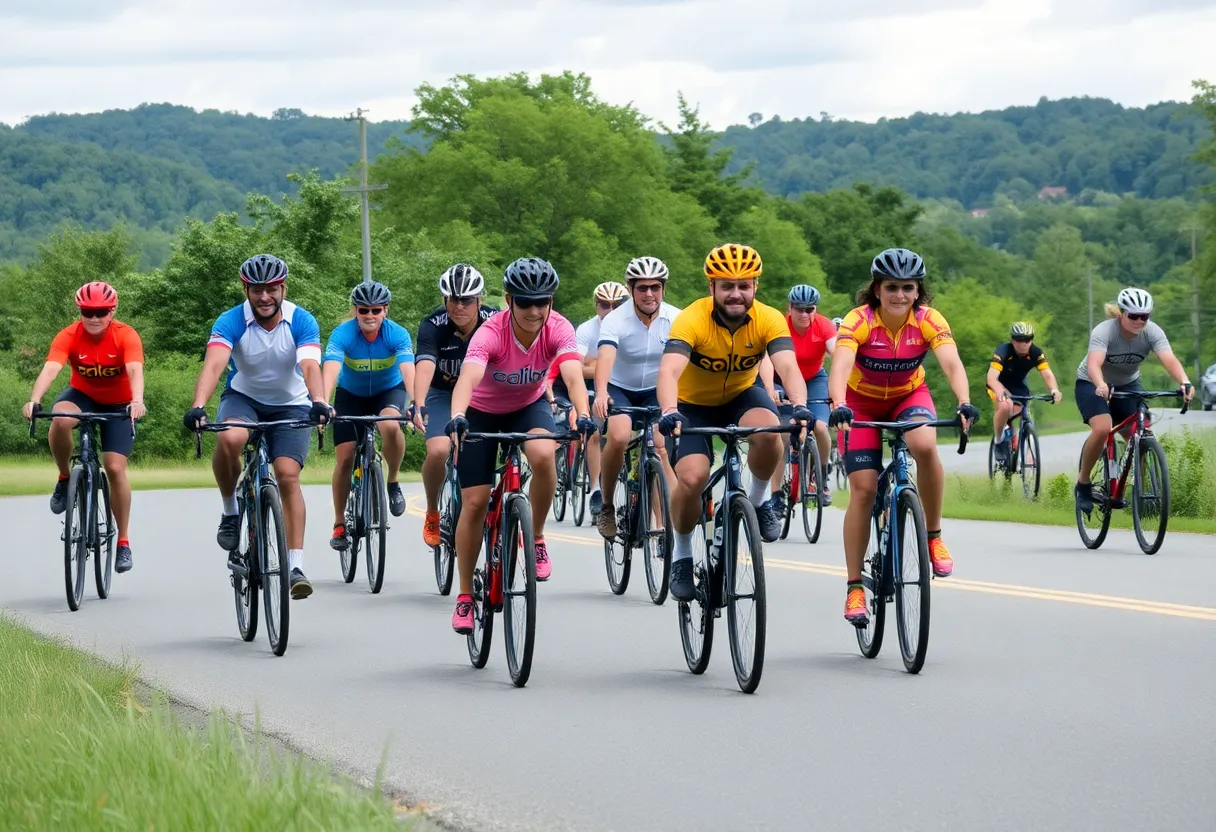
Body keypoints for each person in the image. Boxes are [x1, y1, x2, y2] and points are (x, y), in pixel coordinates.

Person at [827, 247, 979, 626]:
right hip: (859, 405)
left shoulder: (928, 320)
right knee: (862, 489)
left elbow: (950, 362)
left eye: (907, 288)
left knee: (924, 446)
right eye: (891, 287)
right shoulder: (858, 320)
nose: (899, 295)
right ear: (877, 290)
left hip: (908, 396)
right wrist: (839, 403)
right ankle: (854, 587)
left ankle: (933, 536)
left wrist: (964, 401)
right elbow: (841, 364)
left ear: (917, 291)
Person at [445, 258, 594, 633]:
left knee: (545, 453)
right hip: (480, 412)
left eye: (541, 302)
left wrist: (583, 411)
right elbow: (469, 376)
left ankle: (537, 535)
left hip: (528, 407)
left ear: (551, 301)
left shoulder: (559, 328)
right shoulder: (490, 332)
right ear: (509, 300)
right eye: (525, 302)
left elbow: (574, 374)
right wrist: (458, 414)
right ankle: (465, 595)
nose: (533, 311)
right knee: (475, 503)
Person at [656, 244, 812, 602]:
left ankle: (758, 501)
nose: (736, 294)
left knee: (771, 433)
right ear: (712, 288)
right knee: (693, 478)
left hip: (741, 396)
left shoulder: (769, 318)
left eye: (744, 285)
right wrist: (668, 410)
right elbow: (670, 369)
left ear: (755, 287)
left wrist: (801, 405)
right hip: (690, 405)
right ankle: (681, 554)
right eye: (727, 285)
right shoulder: (692, 319)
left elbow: (788, 366)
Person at [183, 254, 331, 600]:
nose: (265, 296)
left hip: (291, 402)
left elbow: (310, 367)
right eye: (256, 290)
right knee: (232, 438)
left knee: (287, 474)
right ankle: (231, 511)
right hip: (244, 399)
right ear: (245, 289)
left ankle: (294, 565)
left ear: (283, 288)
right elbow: (215, 364)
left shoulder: (301, 320)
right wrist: (198, 406)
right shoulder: (231, 320)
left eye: (272, 289)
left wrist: (319, 401)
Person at [22, 281, 146, 574]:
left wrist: (137, 400)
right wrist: (34, 400)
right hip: (82, 395)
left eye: (101, 312)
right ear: (80, 311)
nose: (93, 318)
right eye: (87, 311)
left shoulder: (125, 335)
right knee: (60, 419)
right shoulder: (69, 335)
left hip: (119, 403)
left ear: (112, 311)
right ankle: (65, 477)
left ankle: (124, 541)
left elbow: (134, 370)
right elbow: (51, 368)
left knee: (115, 468)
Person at [1073, 288, 1194, 514]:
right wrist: (1100, 384)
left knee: (1139, 433)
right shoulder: (1104, 331)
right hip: (1092, 383)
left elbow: (1169, 359)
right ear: (1121, 313)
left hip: (1128, 384)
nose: (1140, 321)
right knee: (1102, 428)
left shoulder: (1153, 332)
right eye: (1134, 316)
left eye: (1145, 316)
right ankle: (1083, 483)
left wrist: (1184, 382)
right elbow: (1094, 364)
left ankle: (1136, 487)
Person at [592, 257, 680, 539]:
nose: (649, 294)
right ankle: (606, 506)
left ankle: (668, 523)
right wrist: (602, 392)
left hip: (657, 389)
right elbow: (605, 357)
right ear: (631, 289)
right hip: (621, 387)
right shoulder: (616, 319)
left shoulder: (676, 318)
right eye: (642, 288)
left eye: (655, 287)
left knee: (660, 444)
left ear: (663, 288)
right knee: (618, 436)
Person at [322, 280, 414, 550]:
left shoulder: (397, 334)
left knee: (389, 425)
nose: (370, 316)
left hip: (389, 392)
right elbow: (331, 369)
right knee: (345, 457)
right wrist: (323, 402)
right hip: (351, 395)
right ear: (356, 311)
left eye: (376, 310)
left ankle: (393, 480)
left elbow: (409, 370)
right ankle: (340, 523)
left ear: (385, 310)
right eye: (364, 311)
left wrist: (417, 402)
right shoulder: (343, 334)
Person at [412, 264, 497, 547]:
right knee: (438, 450)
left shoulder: (495, 321)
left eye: (467, 300)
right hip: (442, 392)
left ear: (479, 300)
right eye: (453, 299)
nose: (460, 306)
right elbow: (425, 364)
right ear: (445, 299)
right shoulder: (433, 325)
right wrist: (419, 403)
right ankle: (433, 510)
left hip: (481, 394)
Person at [550, 281, 628, 518]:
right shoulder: (586, 330)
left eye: (618, 305)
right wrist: (603, 368)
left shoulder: (631, 328)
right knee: (592, 432)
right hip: (589, 387)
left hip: (620, 387)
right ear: (596, 305)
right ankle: (595, 488)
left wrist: (597, 364)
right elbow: (576, 368)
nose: (611, 311)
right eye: (605, 305)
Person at [758, 284, 838, 508]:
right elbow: (764, 359)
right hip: (779, 380)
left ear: (816, 309)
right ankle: (775, 496)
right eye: (799, 309)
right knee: (781, 437)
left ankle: (820, 476)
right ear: (789, 308)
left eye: (810, 309)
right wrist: (769, 389)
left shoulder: (823, 326)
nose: (805, 314)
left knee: (820, 427)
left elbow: (838, 353)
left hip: (814, 380)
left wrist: (842, 387)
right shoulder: (779, 325)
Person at [986, 321, 1061, 467]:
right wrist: (1000, 390)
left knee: (1025, 412)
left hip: (1018, 386)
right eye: (1019, 340)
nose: (1023, 344)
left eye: (1027, 339)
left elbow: (1046, 373)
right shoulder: (1003, 350)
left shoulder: (1035, 352)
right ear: (1013, 340)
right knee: (1005, 405)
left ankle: (1023, 443)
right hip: (998, 384)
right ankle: (999, 441)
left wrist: (1054, 389)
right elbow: (991, 378)